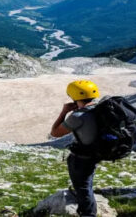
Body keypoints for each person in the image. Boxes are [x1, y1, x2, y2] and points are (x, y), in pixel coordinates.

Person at [50, 80, 101, 217]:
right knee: (87, 184)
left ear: (74, 97)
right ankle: (89, 210)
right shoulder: (101, 109)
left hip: (81, 158)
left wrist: (64, 112)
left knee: (82, 187)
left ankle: (88, 214)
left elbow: (55, 132)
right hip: (95, 153)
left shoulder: (78, 116)